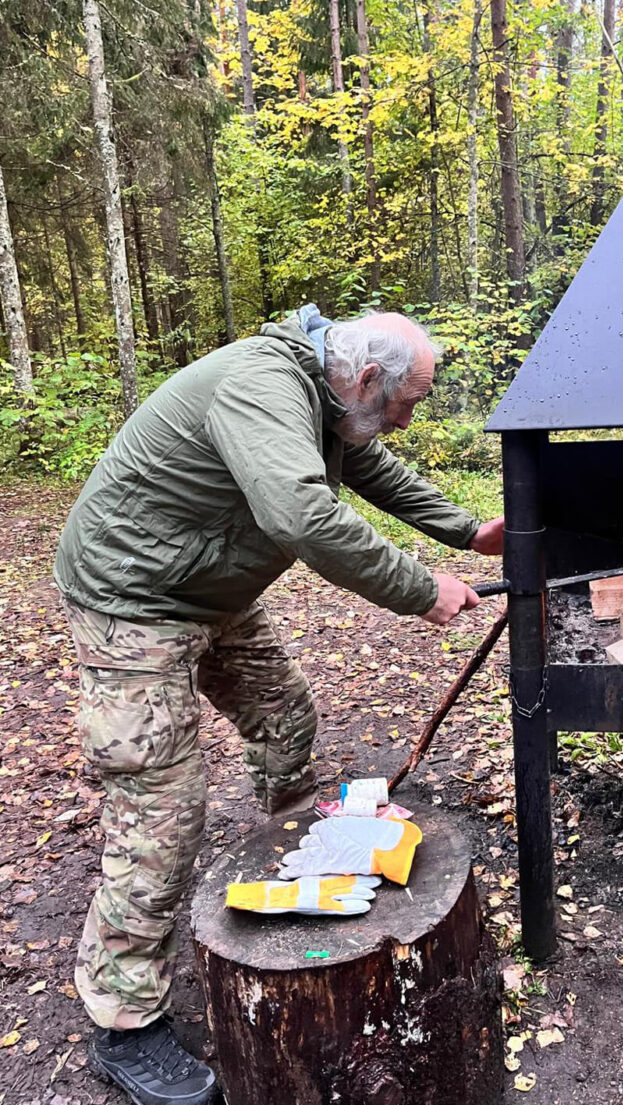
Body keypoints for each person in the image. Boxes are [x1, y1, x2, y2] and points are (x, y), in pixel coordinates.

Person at [54, 305, 503, 1105]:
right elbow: (301, 514)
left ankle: (298, 861)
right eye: (408, 401)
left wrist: (467, 532)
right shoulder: (265, 386)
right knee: (161, 804)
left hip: (209, 587)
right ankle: (123, 1022)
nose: (407, 417)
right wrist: (415, 587)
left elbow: (372, 470)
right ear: (368, 379)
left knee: (284, 717)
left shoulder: (330, 400)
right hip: (133, 599)